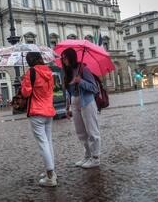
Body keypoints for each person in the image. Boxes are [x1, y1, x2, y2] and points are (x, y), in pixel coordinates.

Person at [21, 52, 57, 187]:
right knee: (48, 142)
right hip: (48, 110)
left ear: (30, 61)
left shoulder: (31, 72)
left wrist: (23, 81)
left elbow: (26, 93)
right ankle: (52, 171)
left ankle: (50, 177)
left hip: (37, 112)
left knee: (43, 144)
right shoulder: (48, 71)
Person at [61, 48, 101, 168]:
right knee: (81, 132)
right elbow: (68, 91)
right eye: (62, 58)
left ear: (71, 57)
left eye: (65, 57)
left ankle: (95, 157)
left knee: (92, 131)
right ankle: (88, 155)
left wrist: (81, 81)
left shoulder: (84, 69)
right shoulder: (68, 72)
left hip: (87, 101)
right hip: (74, 102)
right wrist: (67, 107)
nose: (63, 60)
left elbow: (94, 88)